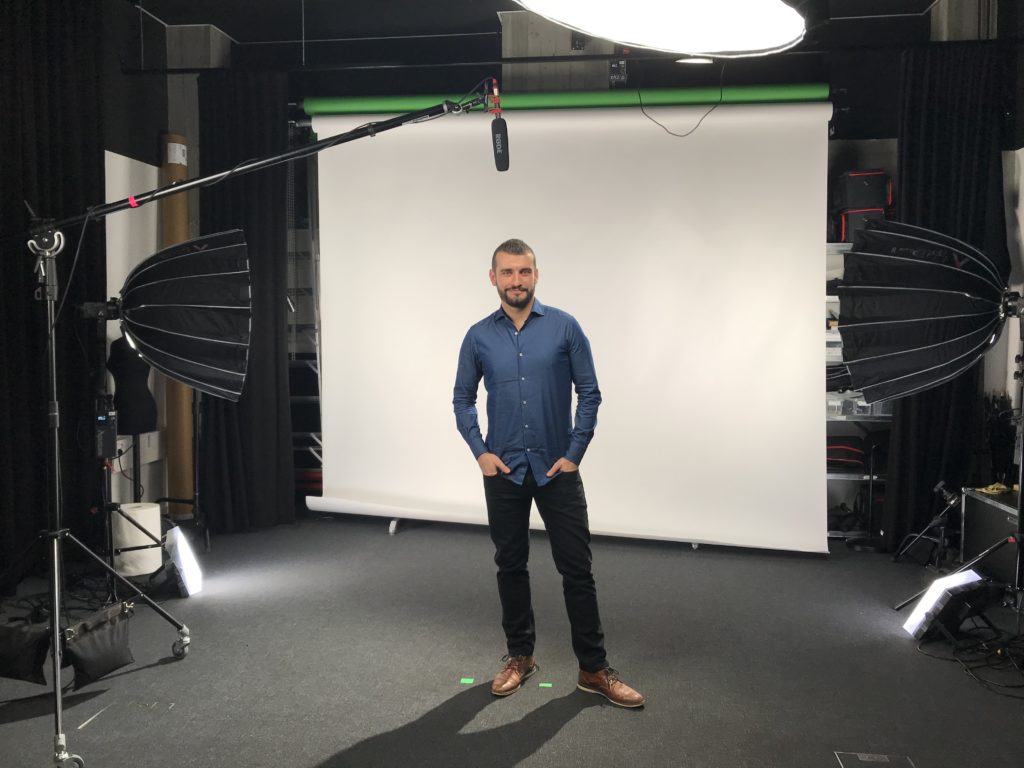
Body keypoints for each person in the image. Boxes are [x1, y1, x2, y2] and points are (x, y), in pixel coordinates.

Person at [452, 238, 645, 708]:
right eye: (507, 272)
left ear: (536, 275)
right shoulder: (478, 336)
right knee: (510, 566)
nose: (516, 281)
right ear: (492, 277)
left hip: (557, 469)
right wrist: (480, 452)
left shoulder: (565, 328)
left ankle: (594, 669)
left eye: (524, 272)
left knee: (577, 570)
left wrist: (575, 451)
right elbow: (461, 399)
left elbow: (591, 393)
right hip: (504, 472)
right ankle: (520, 657)